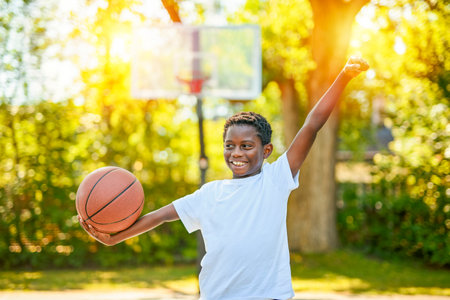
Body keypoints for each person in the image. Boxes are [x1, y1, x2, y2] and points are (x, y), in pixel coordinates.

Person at [79, 57, 369, 299]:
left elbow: (312, 125)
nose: (236, 153)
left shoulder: (275, 179)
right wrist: (114, 238)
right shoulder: (209, 194)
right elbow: (159, 216)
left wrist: (343, 76)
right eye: (230, 146)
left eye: (246, 146)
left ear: (266, 150)